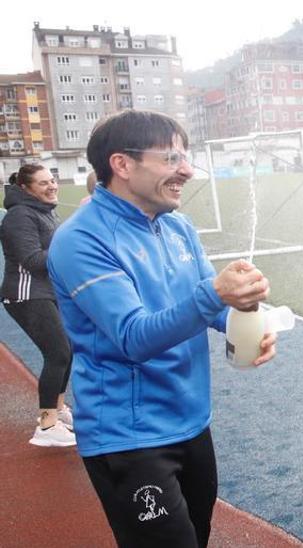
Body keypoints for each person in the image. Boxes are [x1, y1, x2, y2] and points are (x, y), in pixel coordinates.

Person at [46, 110, 277, 547]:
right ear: (123, 164)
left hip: (192, 422)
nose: (187, 170)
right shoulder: (81, 239)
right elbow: (134, 336)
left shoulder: (177, 225)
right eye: (172, 157)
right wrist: (216, 295)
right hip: (129, 436)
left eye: (185, 157)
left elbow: (209, 307)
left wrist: (244, 319)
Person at [2, 163, 76, 447]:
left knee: (66, 351)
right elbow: (32, 260)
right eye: (43, 183)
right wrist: (70, 247)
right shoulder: (19, 216)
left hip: (46, 293)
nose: (52, 186)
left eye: (52, 180)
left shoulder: (43, 211)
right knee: (57, 352)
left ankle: (57, 410)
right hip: (26, 294)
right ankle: (46, 426)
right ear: (25, 188)